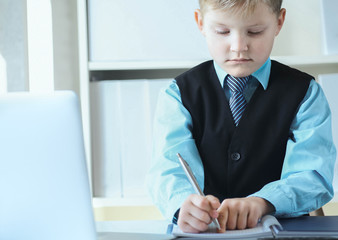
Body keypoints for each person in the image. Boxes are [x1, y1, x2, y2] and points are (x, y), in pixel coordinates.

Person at [146, 0, 336, 234]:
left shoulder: (305, 93)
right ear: (201, 23)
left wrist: (262, 202)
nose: (239, 47)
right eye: (223, 31)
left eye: (255, 32)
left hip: (283, 230)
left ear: (278, 22)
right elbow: (167, 170)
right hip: (204, 232)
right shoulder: (178, 94)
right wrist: (182, 205)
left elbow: (312, 175)